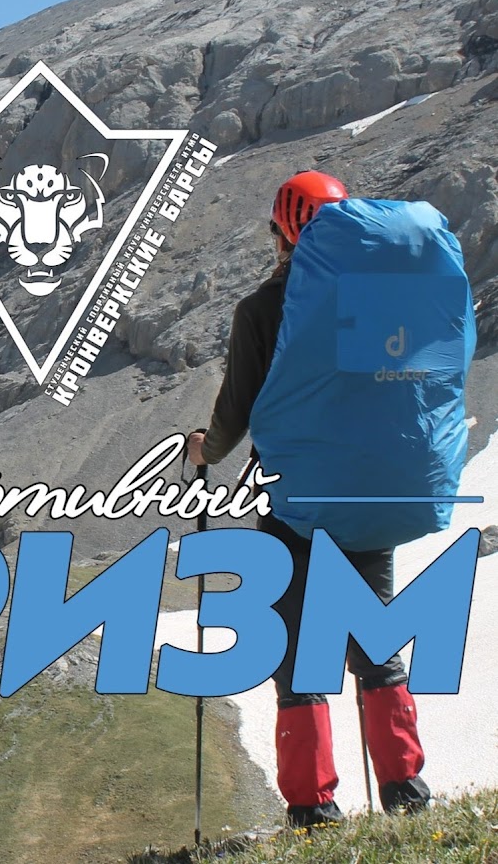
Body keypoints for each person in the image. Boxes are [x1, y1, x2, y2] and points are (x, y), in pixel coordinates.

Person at [187, 171, 431, 828]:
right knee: (375, 643)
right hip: (368, 497)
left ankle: (314, 807)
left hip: (292, 505)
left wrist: (205, 450)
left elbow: (234, 416)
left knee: (298, 653)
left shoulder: (262, 311)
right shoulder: (375, 299)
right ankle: (406, 792)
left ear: (280, 234)